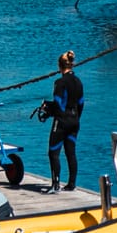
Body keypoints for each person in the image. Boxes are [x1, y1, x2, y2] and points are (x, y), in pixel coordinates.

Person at [44, 51, 86, 192]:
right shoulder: (78, 81)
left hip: (62, 121)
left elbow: (58, 104)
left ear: (59, 66)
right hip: (75, 120)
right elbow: (81, 103)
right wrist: (76, 118)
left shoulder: (60, 82)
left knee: (53, 152)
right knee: (71, 152)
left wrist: (47, 108)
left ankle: (55, 184)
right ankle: (71, 184)